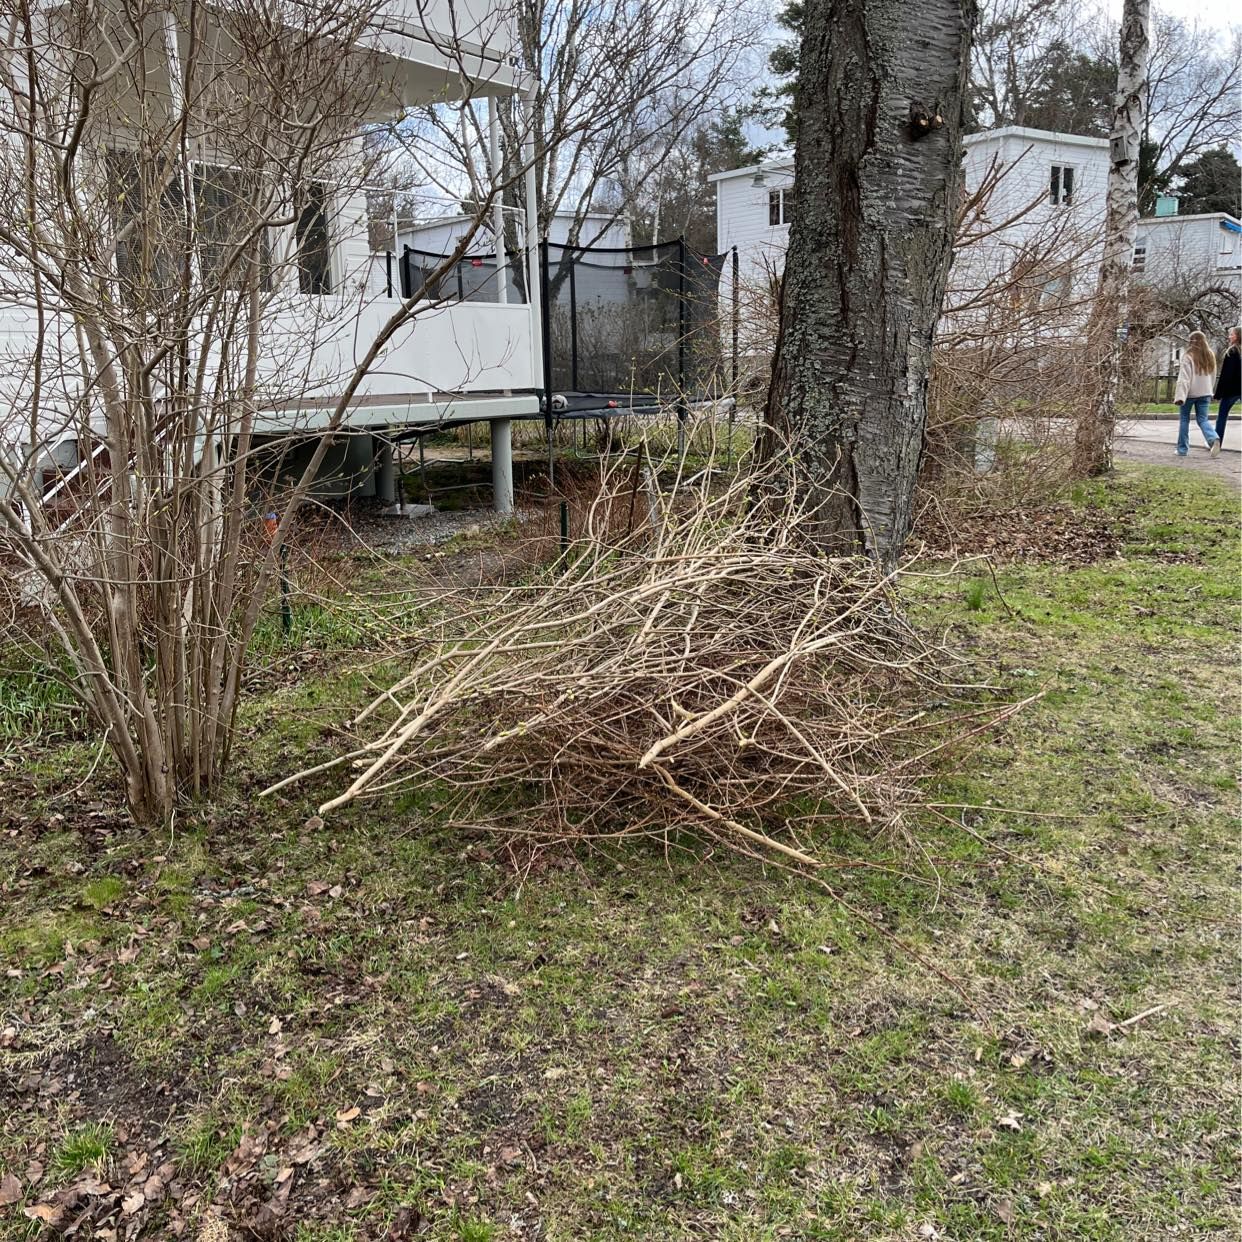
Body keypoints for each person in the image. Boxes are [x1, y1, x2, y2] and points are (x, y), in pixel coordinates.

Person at [1173, 331, 1221, 458]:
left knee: (1184, 420)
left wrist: (1180, 396)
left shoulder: (1188, 356)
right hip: (1205, 392)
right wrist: (1210, 390)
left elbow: (1184, 378)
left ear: (1191, 341)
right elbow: (1212, 375)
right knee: (1203, 419)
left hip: (1190, 393)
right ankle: (1213, 438)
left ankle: (1182, 449)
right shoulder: (1210, 355)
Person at [1214, 326, 1240, 447]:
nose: (1229, 337)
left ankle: (1217, 443)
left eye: (1232, 335)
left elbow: (1226, 374)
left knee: (1222, 416)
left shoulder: (1232, 352)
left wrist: (1219, 393)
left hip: (1232, 390)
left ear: (1238, 336)